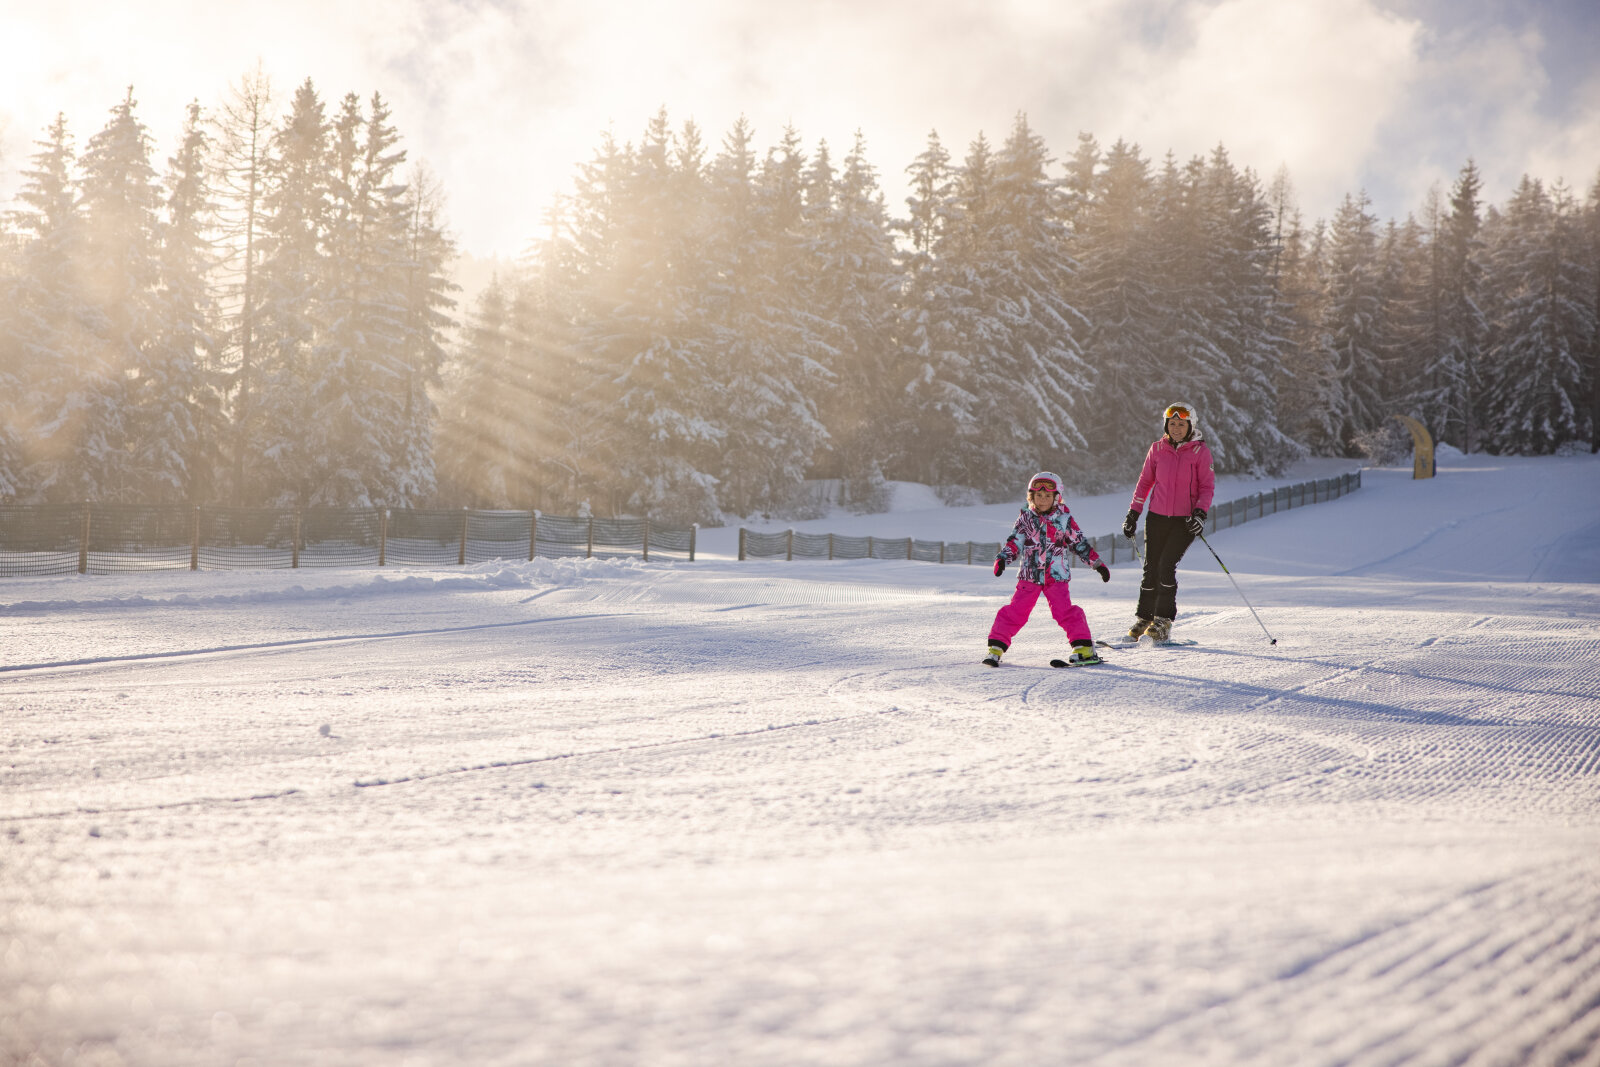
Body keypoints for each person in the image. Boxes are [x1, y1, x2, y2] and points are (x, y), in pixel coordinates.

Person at [984, 471, 1111, 667]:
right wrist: (1002, 559)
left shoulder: (1064, 519)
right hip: (1029, 576)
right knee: (1016, 611)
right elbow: (1014, 543)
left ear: (1056, 497)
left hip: (1056, 576)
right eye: (1038, 495)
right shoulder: (1025, 519)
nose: (1042, 500)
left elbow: (1079, 543)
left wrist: (1097, 564)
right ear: (1031, 497)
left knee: (1064, 611)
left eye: (1047, 496)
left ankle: (1084, 648)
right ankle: (995, 648)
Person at [1121, 403, 1215, 642]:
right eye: (1172, 423)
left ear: (1190, 426)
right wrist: (1133, 514)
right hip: (1157, 517)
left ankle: (1163, 620)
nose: (1176, 428)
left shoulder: (1199, 452)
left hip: (1184, 521)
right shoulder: (1157, 449)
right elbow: (1144, 484)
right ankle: (1145, 617)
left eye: (1181, 424)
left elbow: (1206, 487)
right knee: (1150, 568)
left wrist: (1200, 514)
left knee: (1165, 566)